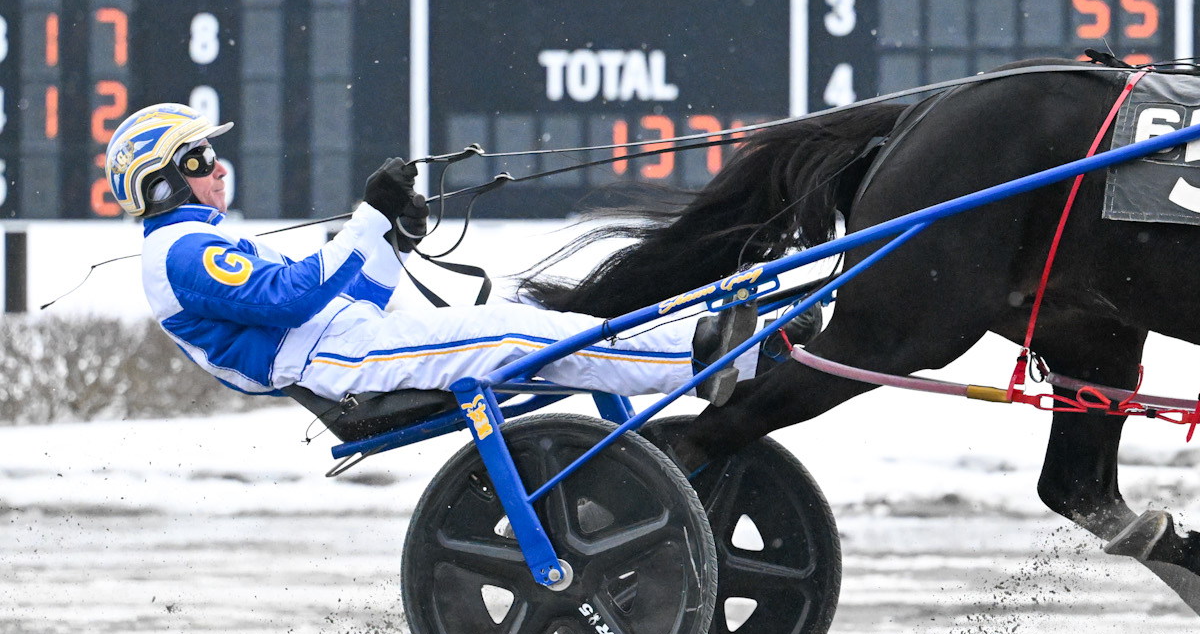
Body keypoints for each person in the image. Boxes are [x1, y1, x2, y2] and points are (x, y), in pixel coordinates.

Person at [109, 103, 748, 404]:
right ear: (158, 183)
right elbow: (296, 298)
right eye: (197, 159)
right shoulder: (181, 251)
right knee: (515, 331)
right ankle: (706, 357)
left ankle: (715, 348)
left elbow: (352, 300)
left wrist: (395, 241)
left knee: (526, 315)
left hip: (346, 345)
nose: (218, 167)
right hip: (335, 365)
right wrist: (368, 218)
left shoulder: (202, 243)